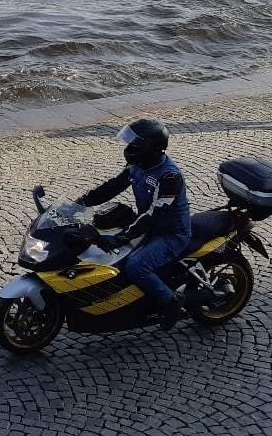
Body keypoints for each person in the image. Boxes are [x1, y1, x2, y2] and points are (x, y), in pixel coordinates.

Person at [78, 118, 192, 330]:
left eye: (134, 144)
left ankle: (170, 302)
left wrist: (122, 237)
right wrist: (80, 203)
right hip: (147, 227)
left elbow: (153, 215)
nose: (129, 148)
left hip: (171, 234)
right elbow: (113, 186)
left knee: (135, 266)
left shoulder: (169, 176)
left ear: (149, 147)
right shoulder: (138, 166)